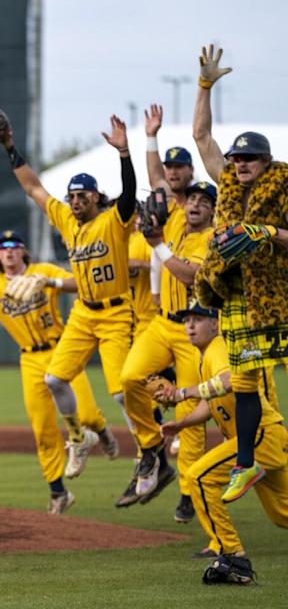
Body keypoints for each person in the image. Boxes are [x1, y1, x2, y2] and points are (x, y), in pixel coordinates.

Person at [0, 109, 136, 477]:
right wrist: (10, 147)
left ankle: (150, 448)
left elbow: (128, 195)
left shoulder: (113, 220)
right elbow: (33, 187)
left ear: (97, 197)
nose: (76, 200)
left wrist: (124, 154)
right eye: (72, 195)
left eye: (83, 195)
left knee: (120, 391)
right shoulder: (65, 219)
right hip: (85, 311)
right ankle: (80, 438)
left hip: (116, 312)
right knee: (54, 380)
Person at [0, 231, 117, 514]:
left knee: (89, 414)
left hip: (62, 349)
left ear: (23, 252)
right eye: (2, 248)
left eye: (14, 247)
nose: (8, 252)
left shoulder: (42, 271)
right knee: (42, 428)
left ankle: (101, 433)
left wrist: (50, 281)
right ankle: (58, 492)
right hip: (29, 358)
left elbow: (79, 283)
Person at [191, 44, 288, 503]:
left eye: (249, 158)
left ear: (266, 161)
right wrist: (205, 86)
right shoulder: (226, 180)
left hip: (279, 294)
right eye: (236, 158)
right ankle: (246, 465)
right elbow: (201, 136)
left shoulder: (284, 185)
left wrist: (266, 230)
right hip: (238, 298)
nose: (240, 163)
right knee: (245, 383)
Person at [155, 300, 286, 579]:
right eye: (186, 320)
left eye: (198, 319)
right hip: (268, 435)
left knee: (199, 477)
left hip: (258, 436)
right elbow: (211, 402)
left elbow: (228, 381)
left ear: (215, 323)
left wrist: (183, 393)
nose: (190, 325)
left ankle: (232, 557)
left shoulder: (219, 348)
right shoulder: (205, 355)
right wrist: (182, 423)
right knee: (283, 514)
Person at [118, 181, 215, 514]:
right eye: (191, 199)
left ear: (213, 210)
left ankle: (189, 490)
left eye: (204, 201)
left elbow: (190, 275)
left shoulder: (211, 239)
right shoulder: (176, 226)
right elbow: (160, 256)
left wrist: (158, 247)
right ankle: (150, 447)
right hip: (162, 323)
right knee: (129, 378)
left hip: (195, 332)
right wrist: (157, 291)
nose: (195, 205)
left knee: (190, 419)